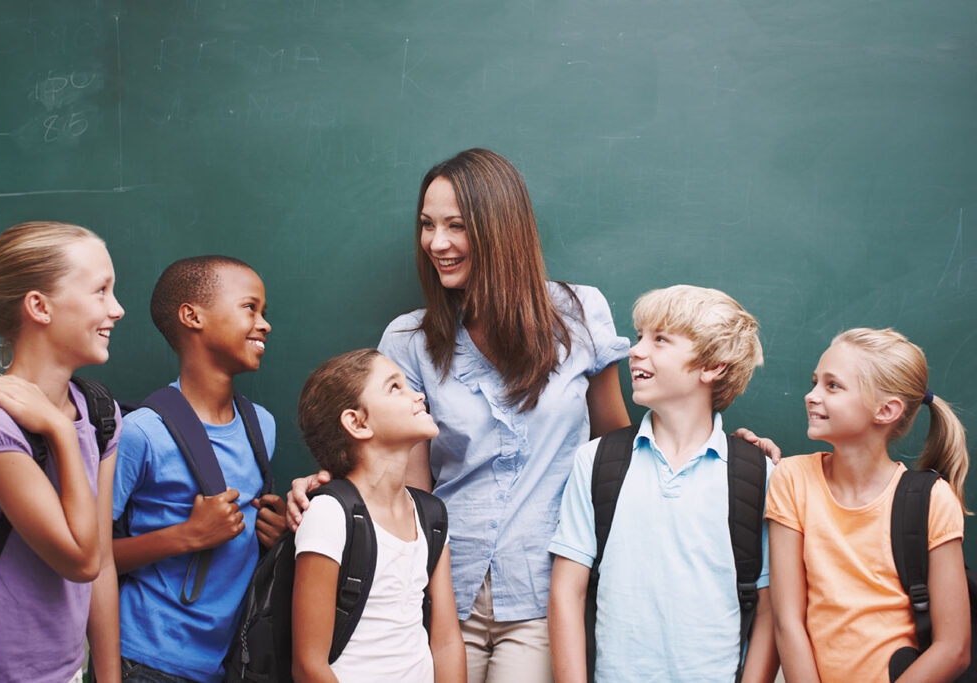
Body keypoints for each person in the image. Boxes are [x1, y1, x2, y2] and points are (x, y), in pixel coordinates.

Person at [288, 148, 778, 682]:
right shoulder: (408, 339)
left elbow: (617, 442)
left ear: (500, 229)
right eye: (427, 225)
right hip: (439, 591)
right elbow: (406, 482)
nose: (436, 243)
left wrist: (724, 451)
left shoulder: (580, 313)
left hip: (546, 594)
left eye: (456, 225)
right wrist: (334, 490)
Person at [547, 285, 779, 682]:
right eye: (639, 337)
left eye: (660, 340)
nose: (636, 351)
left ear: (713, 366)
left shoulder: (758, 474)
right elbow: (568, 592)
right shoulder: (597, 461)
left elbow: (772, 605)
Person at [0, 221, 124, 682]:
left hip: (68, 671)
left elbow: (104, 561)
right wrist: (59, 432)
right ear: (39, 306)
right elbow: (81, 560)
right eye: (101, 291)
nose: (117, 309)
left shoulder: (101, 412)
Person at [112, 256, 287, 682]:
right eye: (250, 308)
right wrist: (187, 535)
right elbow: (88, 557)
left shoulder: (261, 424)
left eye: (264, 313)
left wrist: (276, 533)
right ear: (193, 316)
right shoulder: (142, 433)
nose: (264, 324)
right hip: (147, 659)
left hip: (231, 661)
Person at [767, 328, 970, 682]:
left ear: (886, 410)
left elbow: (953, 648)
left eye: (832, 386)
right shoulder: (792, 479)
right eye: (815, 382)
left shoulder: (932, 500)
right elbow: (787, 622)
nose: (810, 396)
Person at [292, 348, 466, 682]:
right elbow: (308, 665)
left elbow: (445, 642)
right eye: (395, 387)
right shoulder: (329, 514)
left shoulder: (431, 516)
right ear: (357, 423)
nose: (418, 396)